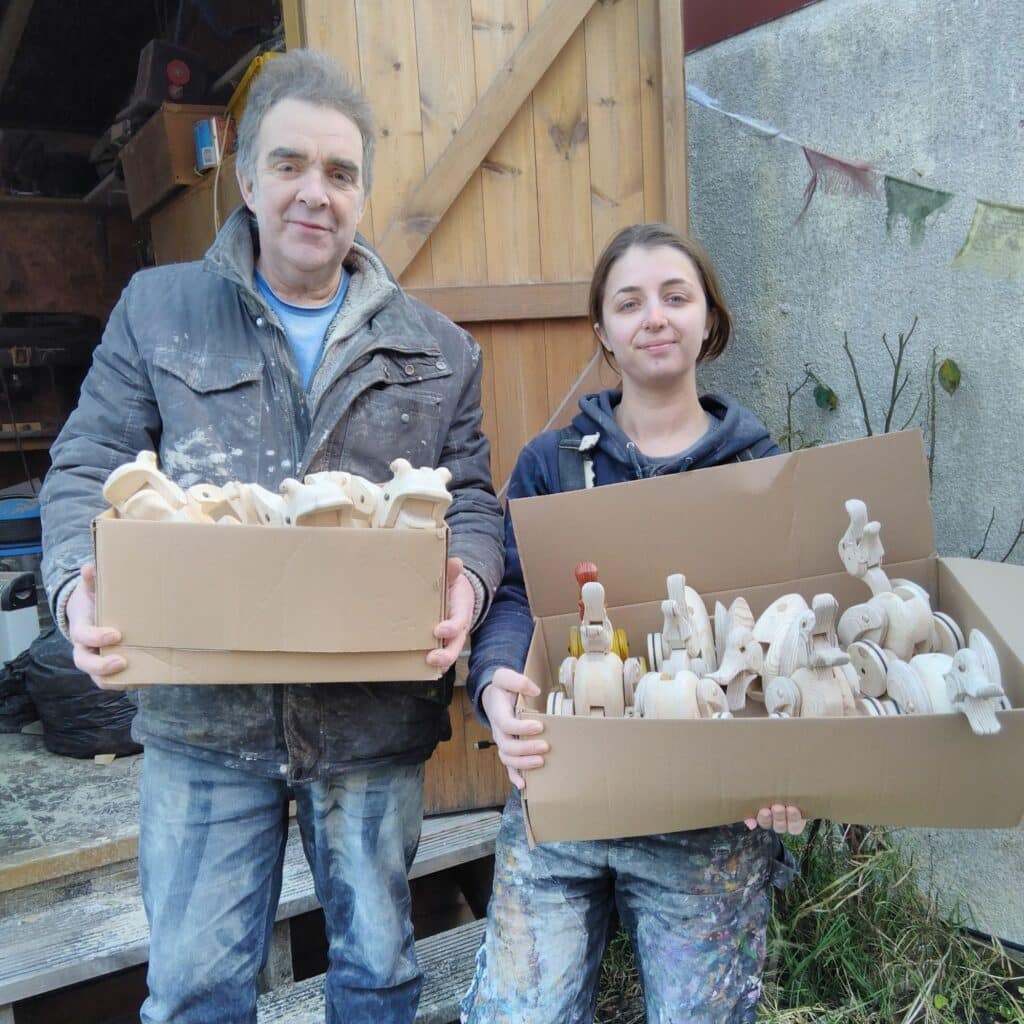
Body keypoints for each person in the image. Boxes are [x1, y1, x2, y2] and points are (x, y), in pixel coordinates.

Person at [39, 49, 503, 1024]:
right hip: (204, 726)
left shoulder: (436, 349)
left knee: (376, 976)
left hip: (371, 726)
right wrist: (80, 583)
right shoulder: (159, 312)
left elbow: (470, 500)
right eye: (288, 165)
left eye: (339, 173)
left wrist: (466, 579)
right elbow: (85, 467)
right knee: (199, 988)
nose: (313, 193)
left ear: (363, 193)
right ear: (245, 178)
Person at [460, 223, 804, 1024]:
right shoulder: (551, 464)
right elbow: (512, 592)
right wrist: (496, 684)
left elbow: (785, 627)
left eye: (675, 297)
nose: (654, 316)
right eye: (630, 302)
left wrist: (793, 762)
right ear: (603, 331)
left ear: (708, 320)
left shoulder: (759, 468)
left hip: (709, 815)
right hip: (566, 793)